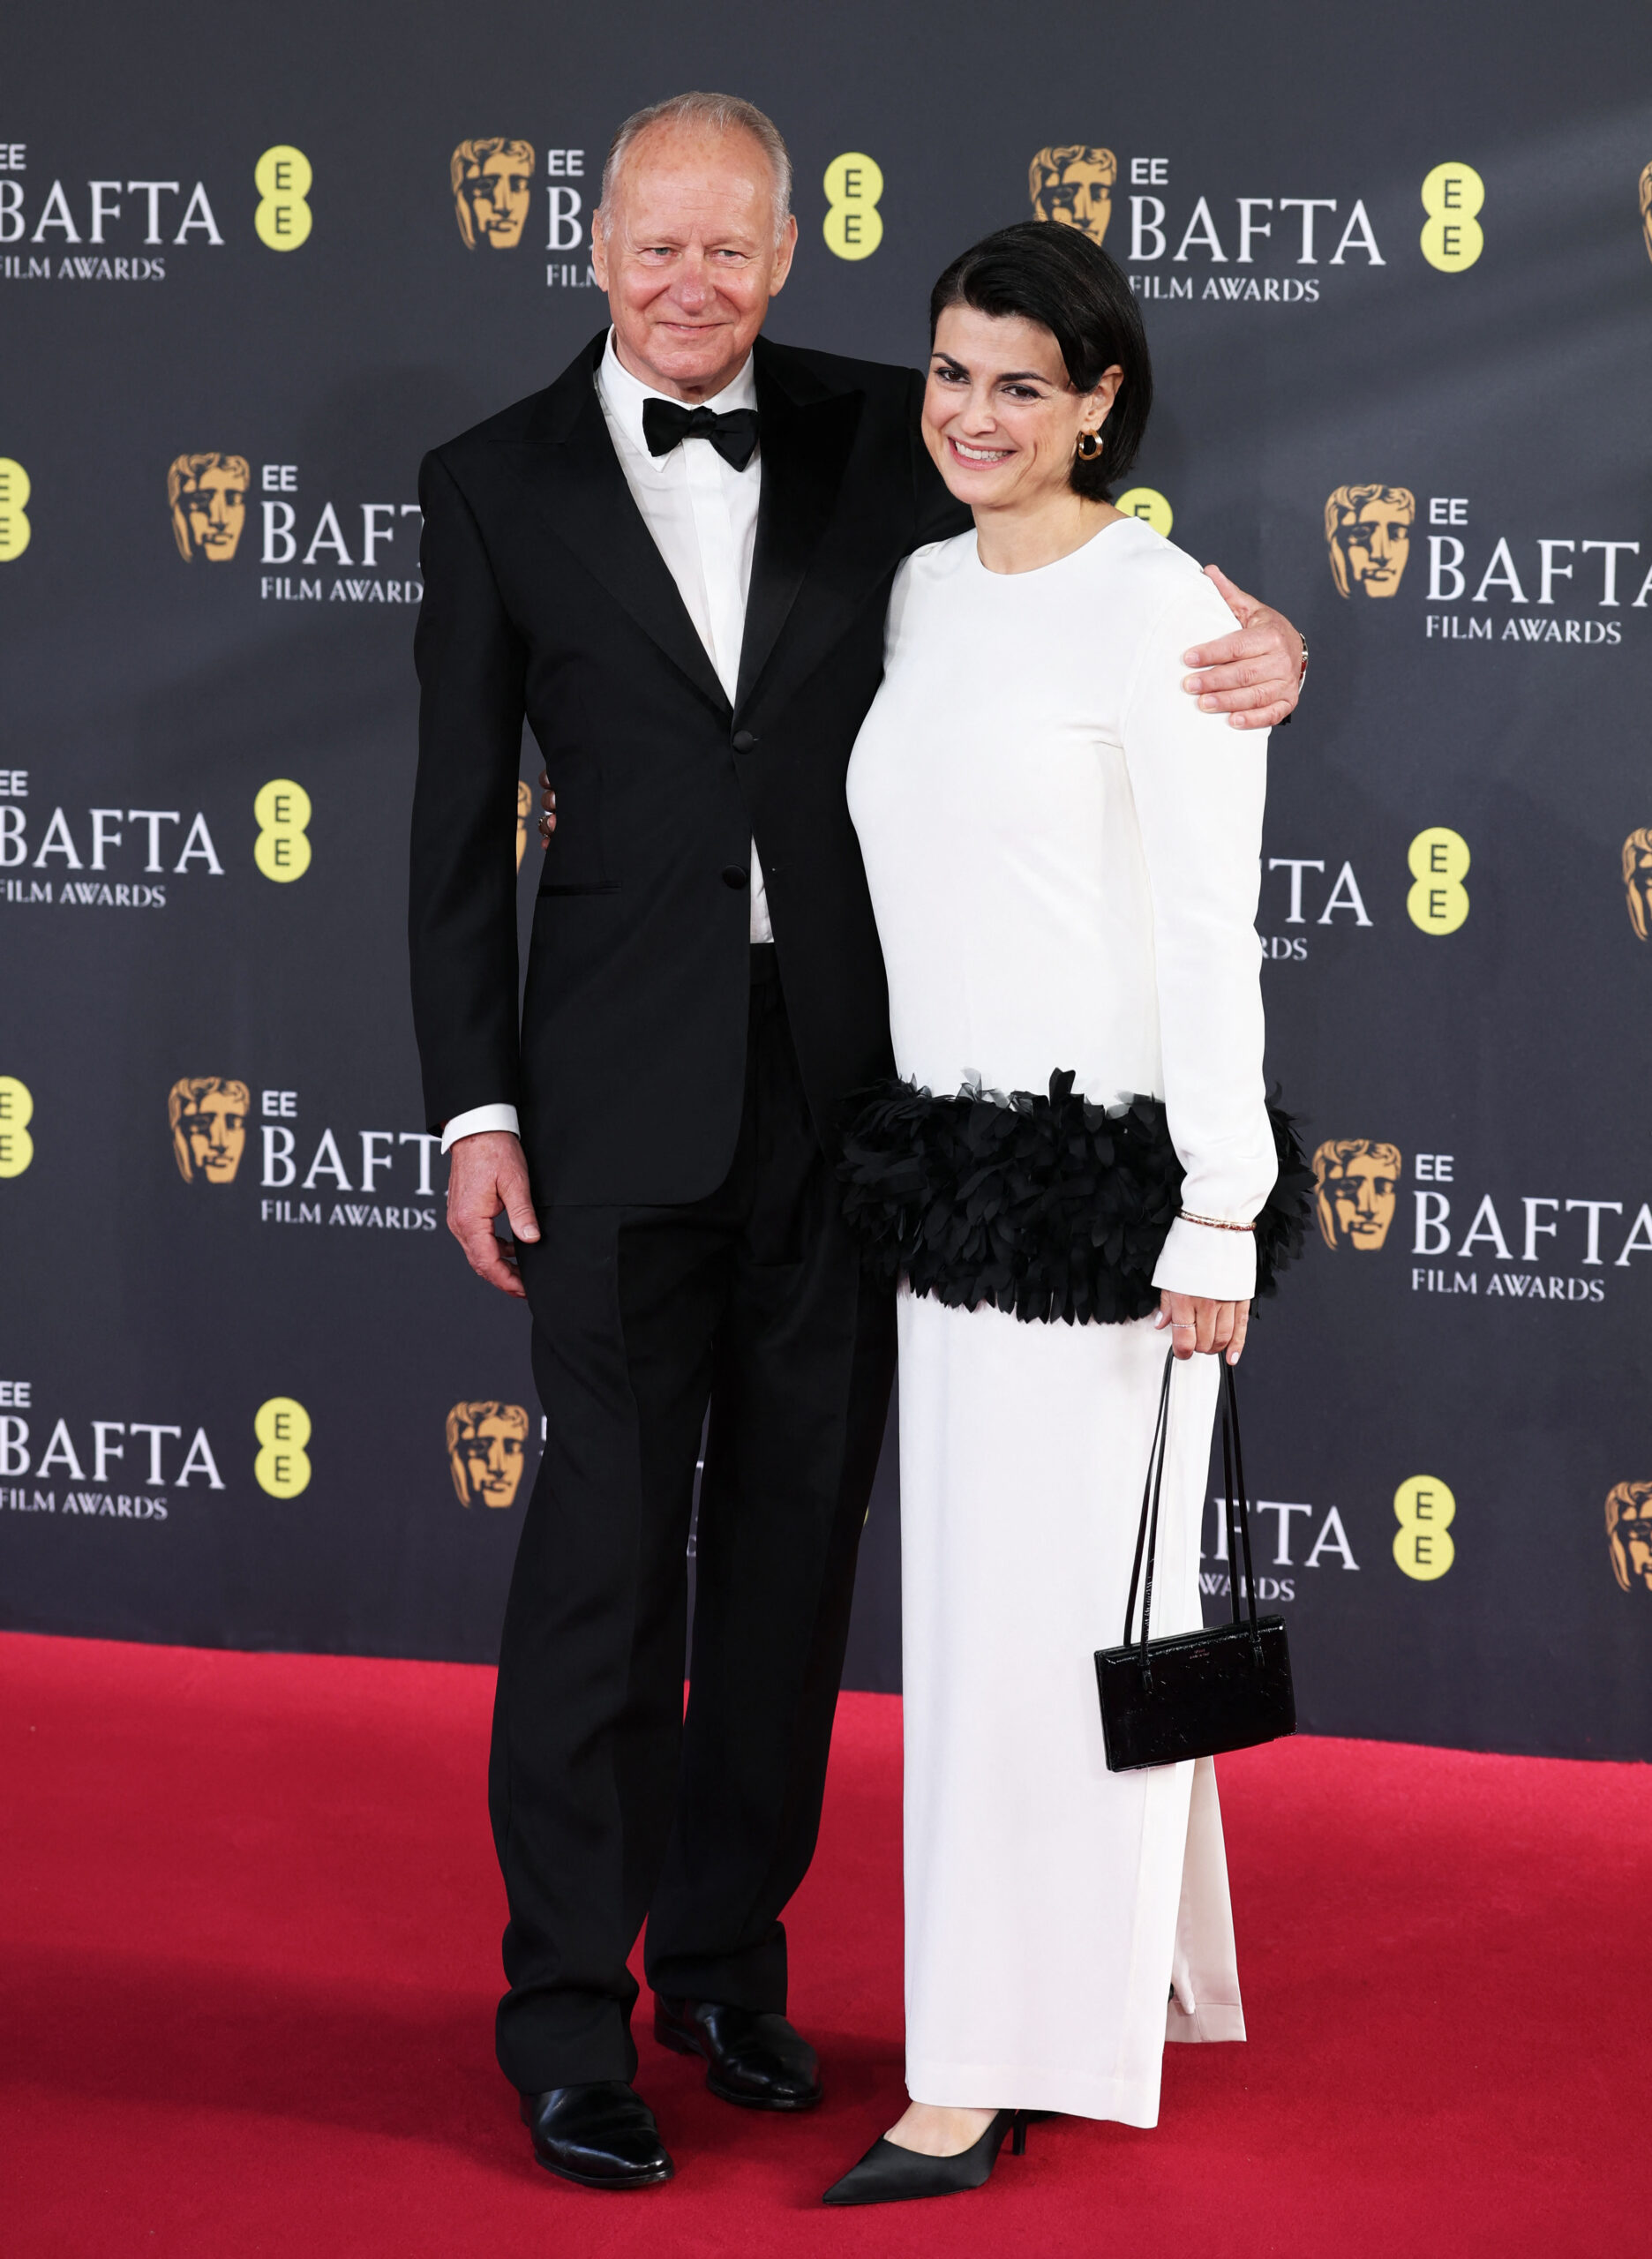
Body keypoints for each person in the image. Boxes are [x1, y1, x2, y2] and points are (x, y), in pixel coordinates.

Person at [410, 92, 1306, 2195]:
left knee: (800, 1556)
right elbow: (450, 829)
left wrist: (1266, 641)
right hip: (614, 1105)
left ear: (787, 251)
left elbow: (1098, 558)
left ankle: (730, 1962)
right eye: (657, 245)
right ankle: (568, 2015)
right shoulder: (492, 485)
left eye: (732, 247)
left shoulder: (879, 424)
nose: (693, 282)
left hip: (851, 1106)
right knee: (605, 1568)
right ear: (595, 242)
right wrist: (474, 1098)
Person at [822, 221, 1307, 2205]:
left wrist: (1219, 1213)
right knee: (1017, 1612)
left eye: (1023, 382)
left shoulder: (1164, 610)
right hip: (951, 1191)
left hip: (1110, 1207)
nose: (973, 414)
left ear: (1104, 401)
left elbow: (1212, 929)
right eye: (951, 372)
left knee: (1054, 1623)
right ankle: (1139, 1967)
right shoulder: (924, 591)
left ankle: (984, 2055)